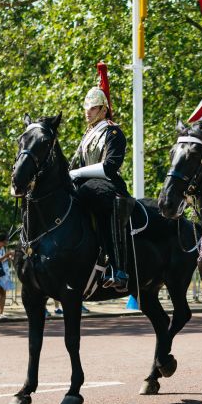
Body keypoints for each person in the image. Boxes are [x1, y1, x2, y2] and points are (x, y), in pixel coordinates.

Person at [69, 61, 131, 293]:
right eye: (87, 108)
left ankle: (118, 267)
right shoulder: (87, 135)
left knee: (105, 203)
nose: (88, 112)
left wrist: (76, 174)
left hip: (107, 186)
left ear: (103, 110)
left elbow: (109, 167)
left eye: (93, 108)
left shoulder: (113, 132)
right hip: (85, 186)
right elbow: (74, 165)